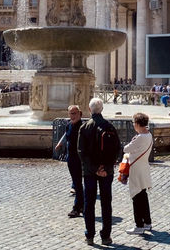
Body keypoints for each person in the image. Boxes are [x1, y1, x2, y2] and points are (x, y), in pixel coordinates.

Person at [77, 97, 119, 245]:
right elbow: (117, 149)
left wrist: (95, 169)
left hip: (89, 172)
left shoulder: (85, 127)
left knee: (89, 203)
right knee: (106, 203)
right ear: (102, 110)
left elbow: (81, 152)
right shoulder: (110, 126)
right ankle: (106, 236)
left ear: (90, 110)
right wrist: (105, 168)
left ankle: (90, 236)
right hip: (107, 171)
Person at [124, 112, 153, 235]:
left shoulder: (140, 137)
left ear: (137, 124)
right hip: (144, 167)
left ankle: (139, 225)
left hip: (136, 168)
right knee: (143, 195)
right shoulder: (149, 135)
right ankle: (147, 222)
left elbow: (126, 149)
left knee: (136, 196)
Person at [55, 105, 84, 218]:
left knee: (78, 184)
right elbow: (67, 137)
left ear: (79, 113)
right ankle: (81, 206)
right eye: (71, 113)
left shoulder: (83, 127)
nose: (72, 116)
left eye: (74, 113)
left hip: (79, 158)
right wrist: (60, 144)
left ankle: (77, 207)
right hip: (70, 157)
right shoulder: (68, 125)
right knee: (77, 183)